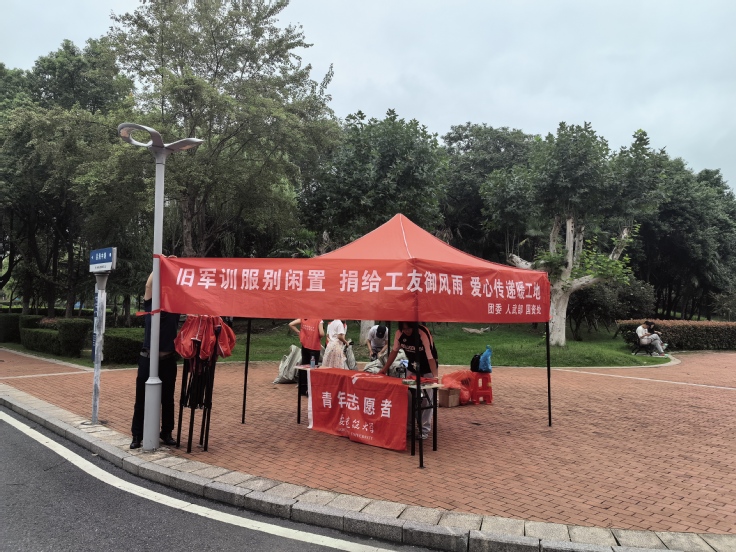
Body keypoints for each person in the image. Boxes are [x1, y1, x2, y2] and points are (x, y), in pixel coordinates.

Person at [130, 272, 180, 449]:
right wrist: (160, 265)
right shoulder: (150, 304)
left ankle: (166, 432)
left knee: (167, 399)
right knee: (141, 399)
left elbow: (183, 286)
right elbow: (148, 285)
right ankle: (137, 435)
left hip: (167, 360)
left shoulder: (175, 306)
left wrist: (175, 267)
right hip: (147, 359)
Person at [379, 322, 438, 439]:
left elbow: (430, 356)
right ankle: (409, 428)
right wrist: (384, 369)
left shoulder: (423, 333)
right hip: (412, 367)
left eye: (409, 328)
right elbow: (394, 351)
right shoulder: (399, 334)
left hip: (428, 368)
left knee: (427, 400)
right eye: (404, 329)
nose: (407, 331)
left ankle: (424, 430)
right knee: (408, 397)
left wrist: (435, 376)